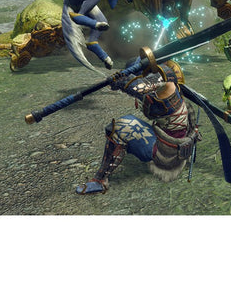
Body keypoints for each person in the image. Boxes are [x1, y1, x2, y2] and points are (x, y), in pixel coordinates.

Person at [75, 59, 200, 194]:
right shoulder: (169, 87)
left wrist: (120, 81)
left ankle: (100, 180)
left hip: (166, 155)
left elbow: (138, 87)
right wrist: (121, 80)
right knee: (131, 119)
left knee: (119, 127)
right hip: (177, 145)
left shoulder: (163, 84)